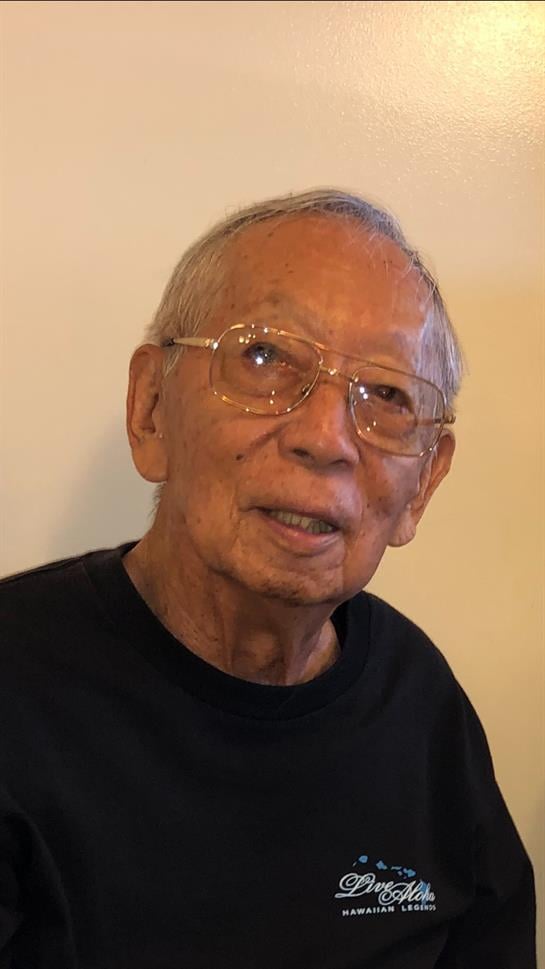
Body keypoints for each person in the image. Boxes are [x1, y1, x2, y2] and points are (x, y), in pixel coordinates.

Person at [0, 189, 536, 969]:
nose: (325, 438)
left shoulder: (421, 705)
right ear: (151, 408)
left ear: (421, 485)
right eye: (264, 356)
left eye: (386, 396)